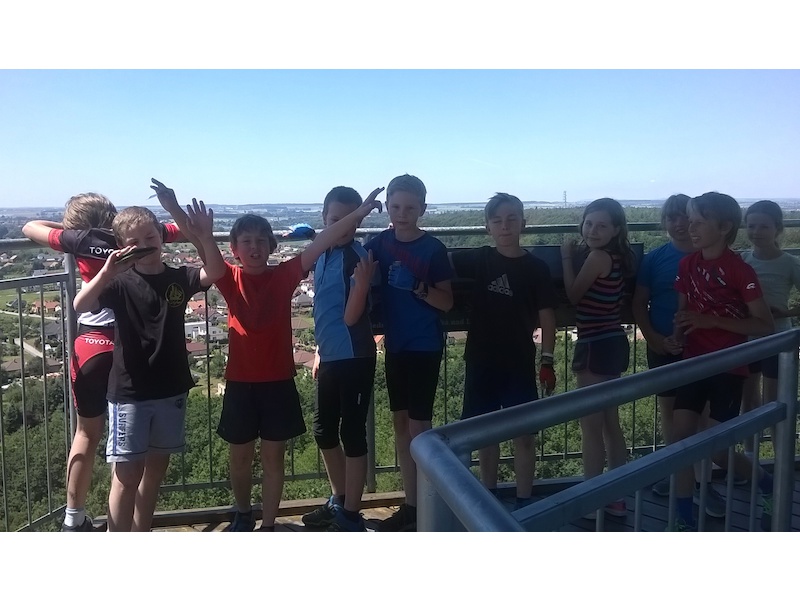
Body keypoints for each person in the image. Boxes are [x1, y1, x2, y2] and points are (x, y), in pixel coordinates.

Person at [157, 180, 384, 532]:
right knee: (240, 459)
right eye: (246, 242)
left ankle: (268, 525)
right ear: (234, 249)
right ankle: (243, 513)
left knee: (273, 459)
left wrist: (361, 212)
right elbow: (203, 244)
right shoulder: (228, 278)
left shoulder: (285, 275)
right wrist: (173, 209)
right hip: (240, 383)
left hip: (278, 382)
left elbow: (324, 238)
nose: (254, 247)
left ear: (271, 246)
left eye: (261, 241)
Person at [22, 193, 182, 531]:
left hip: (91, 344)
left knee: (87, 433)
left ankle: (73, 518)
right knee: (128, 449)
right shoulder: (132, 239)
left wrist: (68, 231)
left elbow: (29, 227)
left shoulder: (80, 240)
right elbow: (177, 229)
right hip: (130, 346)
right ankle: (126, 527)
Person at [73, 184, 225, 532]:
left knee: (154, 473)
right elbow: (81, 305)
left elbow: (215, 271)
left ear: (160, 236)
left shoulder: (180, 277)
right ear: (123, 248)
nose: (144, 244)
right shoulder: (120, 283)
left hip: (170, 389)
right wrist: (107, 272)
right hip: (130, 393)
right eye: (134, 242)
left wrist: (204, 236)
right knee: (126, 476)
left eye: (150, 236)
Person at [670, 192, 776, 531]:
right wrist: (677, 335)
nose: (690, 228)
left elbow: (764, 325)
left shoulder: (740, 270)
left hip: (729, 367)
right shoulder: (687, 265)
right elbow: (683, 312)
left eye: (699, 222)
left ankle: (766, 483)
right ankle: (682, 519)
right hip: (693, 362)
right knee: (680, 442)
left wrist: (712, 321)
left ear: (724, 227)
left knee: (717, 451)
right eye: (690, 221)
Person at [449, 193, 557, 509]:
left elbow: (548, 316)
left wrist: (547, 360)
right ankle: (489, 497)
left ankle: (525, 500)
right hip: (480, 359)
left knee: (524, 435)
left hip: (519, 362)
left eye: (511, 219)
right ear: (488, 227)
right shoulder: (480, 259)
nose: (505, 226)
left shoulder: (536, 268)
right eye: (497, 221)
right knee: (485, 434)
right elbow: (438, 260)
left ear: (523, 223)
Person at [364, 173, 453, 532]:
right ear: (387, 207)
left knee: (419, 428)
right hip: (397, 344)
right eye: (396, 206)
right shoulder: (378, 244)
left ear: (422, 209)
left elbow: (446, 302)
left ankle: (426, 504)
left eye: (410, 208)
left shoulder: (433, 249)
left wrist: (417, 286)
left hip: (424, 344)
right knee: (401, 424)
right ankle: (413, 504)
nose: (402, 214)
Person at [631, 194, 727, 517]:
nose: (678, 223)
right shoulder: (654, 259)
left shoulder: (711, 257)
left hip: (704, 349)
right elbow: (638, 304)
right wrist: (655, 339)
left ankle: (703, 483)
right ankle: (676, 474)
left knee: (702, 417)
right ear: (664, 223)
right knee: (670, 415)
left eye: (684, 217)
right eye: (670, 218)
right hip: (662, 347)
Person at [301, 186, 379, 532]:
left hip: (354, 356)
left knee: (352, 433)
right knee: (323, 431)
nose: (343, 227)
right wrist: (319, 350)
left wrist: (361, 287)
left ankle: (350, 513)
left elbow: (349, 318)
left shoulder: (357, 258)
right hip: (331, 355)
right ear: (324, 219)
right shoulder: (321, 255)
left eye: (351, 220)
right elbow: (325, 309)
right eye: (336, 220)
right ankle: (339, 498)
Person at [561, 197, 634, 519]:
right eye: (589, 224)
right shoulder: (618, 256)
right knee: (610, 423)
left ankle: (591, 499)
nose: (592, 230)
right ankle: (617, 497)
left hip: (594, 344)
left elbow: (573, 295)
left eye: (601, 225)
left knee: (590, 426)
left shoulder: (597, 257)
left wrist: (566, 258)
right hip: (614, 341)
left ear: (616, 229)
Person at [739, 200, 800, 455]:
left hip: (778, 339)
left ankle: (780, 460)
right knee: (748, 400)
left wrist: (785, 313)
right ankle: (751, 459)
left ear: (778, 229)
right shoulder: (743, 260)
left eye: (764, 226)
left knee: (774, 402)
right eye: (751, 226)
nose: (756, 232)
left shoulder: (790, 263)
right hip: (747, 338)